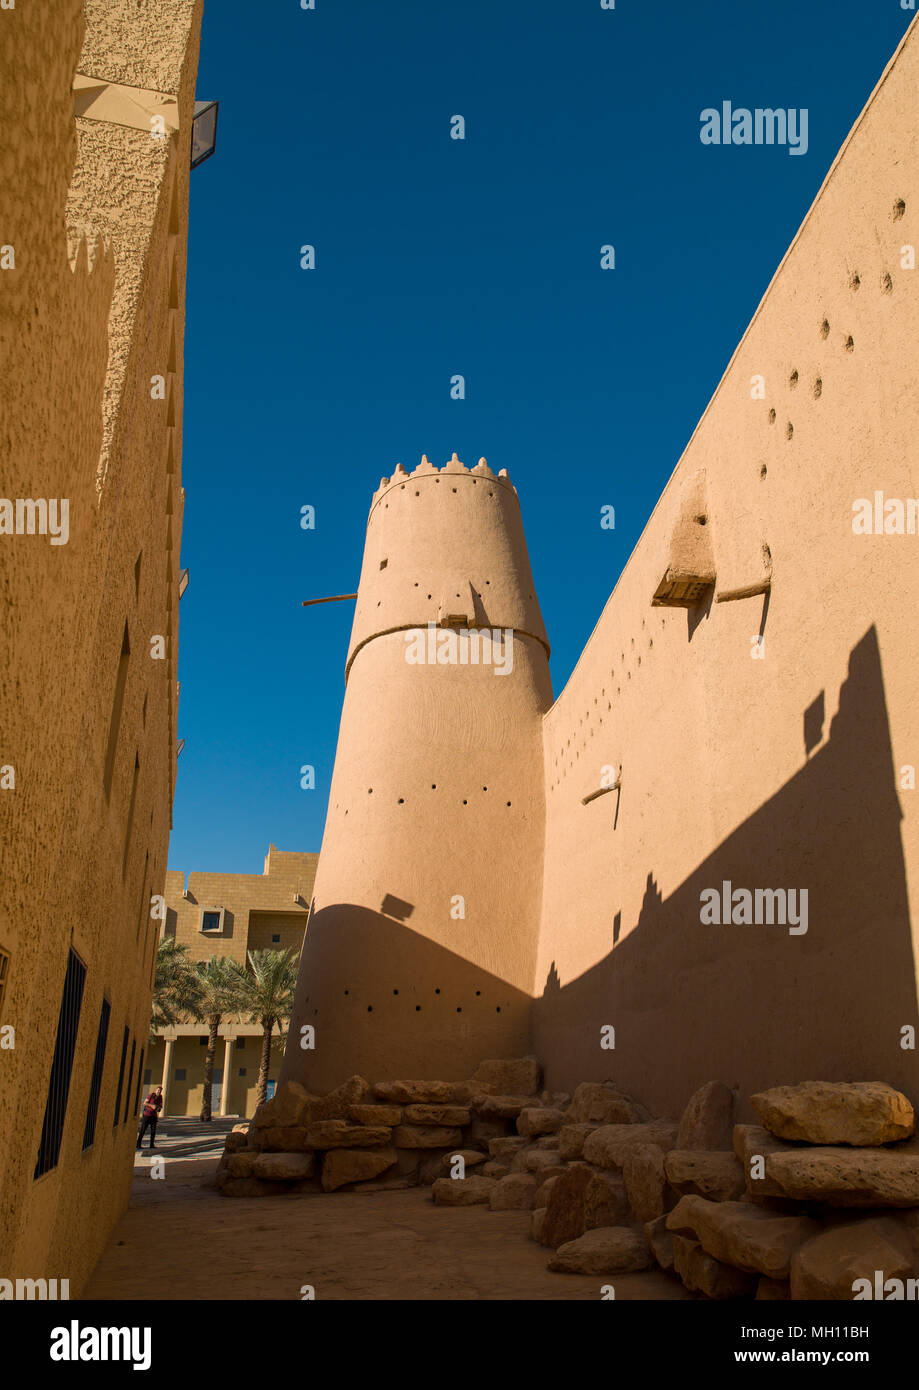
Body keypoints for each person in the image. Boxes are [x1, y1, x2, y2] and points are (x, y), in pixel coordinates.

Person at [136, 1085, 164, 1151]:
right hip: (147, 1115)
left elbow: (160, 1105)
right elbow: (144, 1103)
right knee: (143, 1129)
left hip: (154, 1116)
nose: (159, 1092)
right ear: (156, 1090)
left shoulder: (160, 1097)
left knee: (153, 1130)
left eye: (160, 1091)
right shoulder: (151, 1095)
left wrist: (158, 1107)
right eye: (158, 1090)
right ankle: (138, 1144)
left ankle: (151, 1144)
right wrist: (152, 1105)